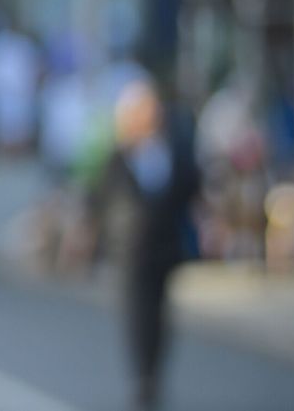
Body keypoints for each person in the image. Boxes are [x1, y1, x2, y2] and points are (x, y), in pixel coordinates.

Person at [95, 78, 200, 410]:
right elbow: (101, 199)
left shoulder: (171, 150)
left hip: (165, 248)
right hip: (131, 250)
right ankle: (143, 378)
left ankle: (154, 373)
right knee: (138, 315)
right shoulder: (118, 156)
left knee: (160, 315)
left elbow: (189, 186)